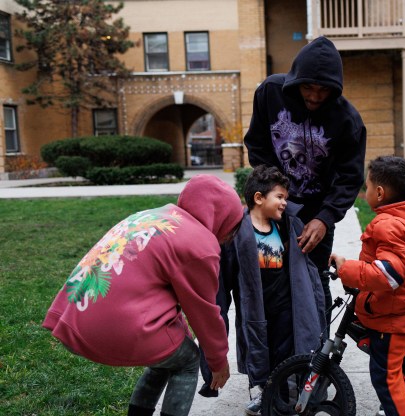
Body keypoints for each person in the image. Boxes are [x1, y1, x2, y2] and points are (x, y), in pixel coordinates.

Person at [42, 175, 243, 416]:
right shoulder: (200, 245)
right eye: (231, 229)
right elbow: (205, 313)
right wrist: (218, 362)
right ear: (221, 217)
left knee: (168, 356)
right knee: (188, 360)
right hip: (109, 327)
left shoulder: (156, 215)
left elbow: (175, 297)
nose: (228, 238)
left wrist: (183, 335)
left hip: (75, 313)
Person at [244, 36, 367, 325]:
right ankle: (281, 350)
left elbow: (350, 177)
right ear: (296, 80)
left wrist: (325, 219)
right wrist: (272, 193)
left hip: (316, 210)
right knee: (271, 279)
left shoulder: (348, 120)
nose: (313, 96)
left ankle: (315, 356)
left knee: (315, 280)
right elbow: (257, 145)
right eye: (308, 87)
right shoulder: (270, 92)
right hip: (273, 206)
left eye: (323, 91)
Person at [199, 165, 326, 415]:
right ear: (259, 198)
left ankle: (281, 400)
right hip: (255, 310)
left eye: (285, 199)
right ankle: (264, 394)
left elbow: (302, 265)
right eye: (279, 197)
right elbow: (223, 280)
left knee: (283, 357)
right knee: (259, 356)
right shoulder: (236, 232)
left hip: (285, 307)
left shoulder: (286, 226)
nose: (284, 203)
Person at [330, 156, 405, 416]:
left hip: (395, 316)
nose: (364, 191)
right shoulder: (403, 219)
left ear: (379, 193)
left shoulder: (389, 224)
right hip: (401, 307)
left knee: (386, 379)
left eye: (367, 186)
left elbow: (389, 275)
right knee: (398, 372)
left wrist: (347, 269)